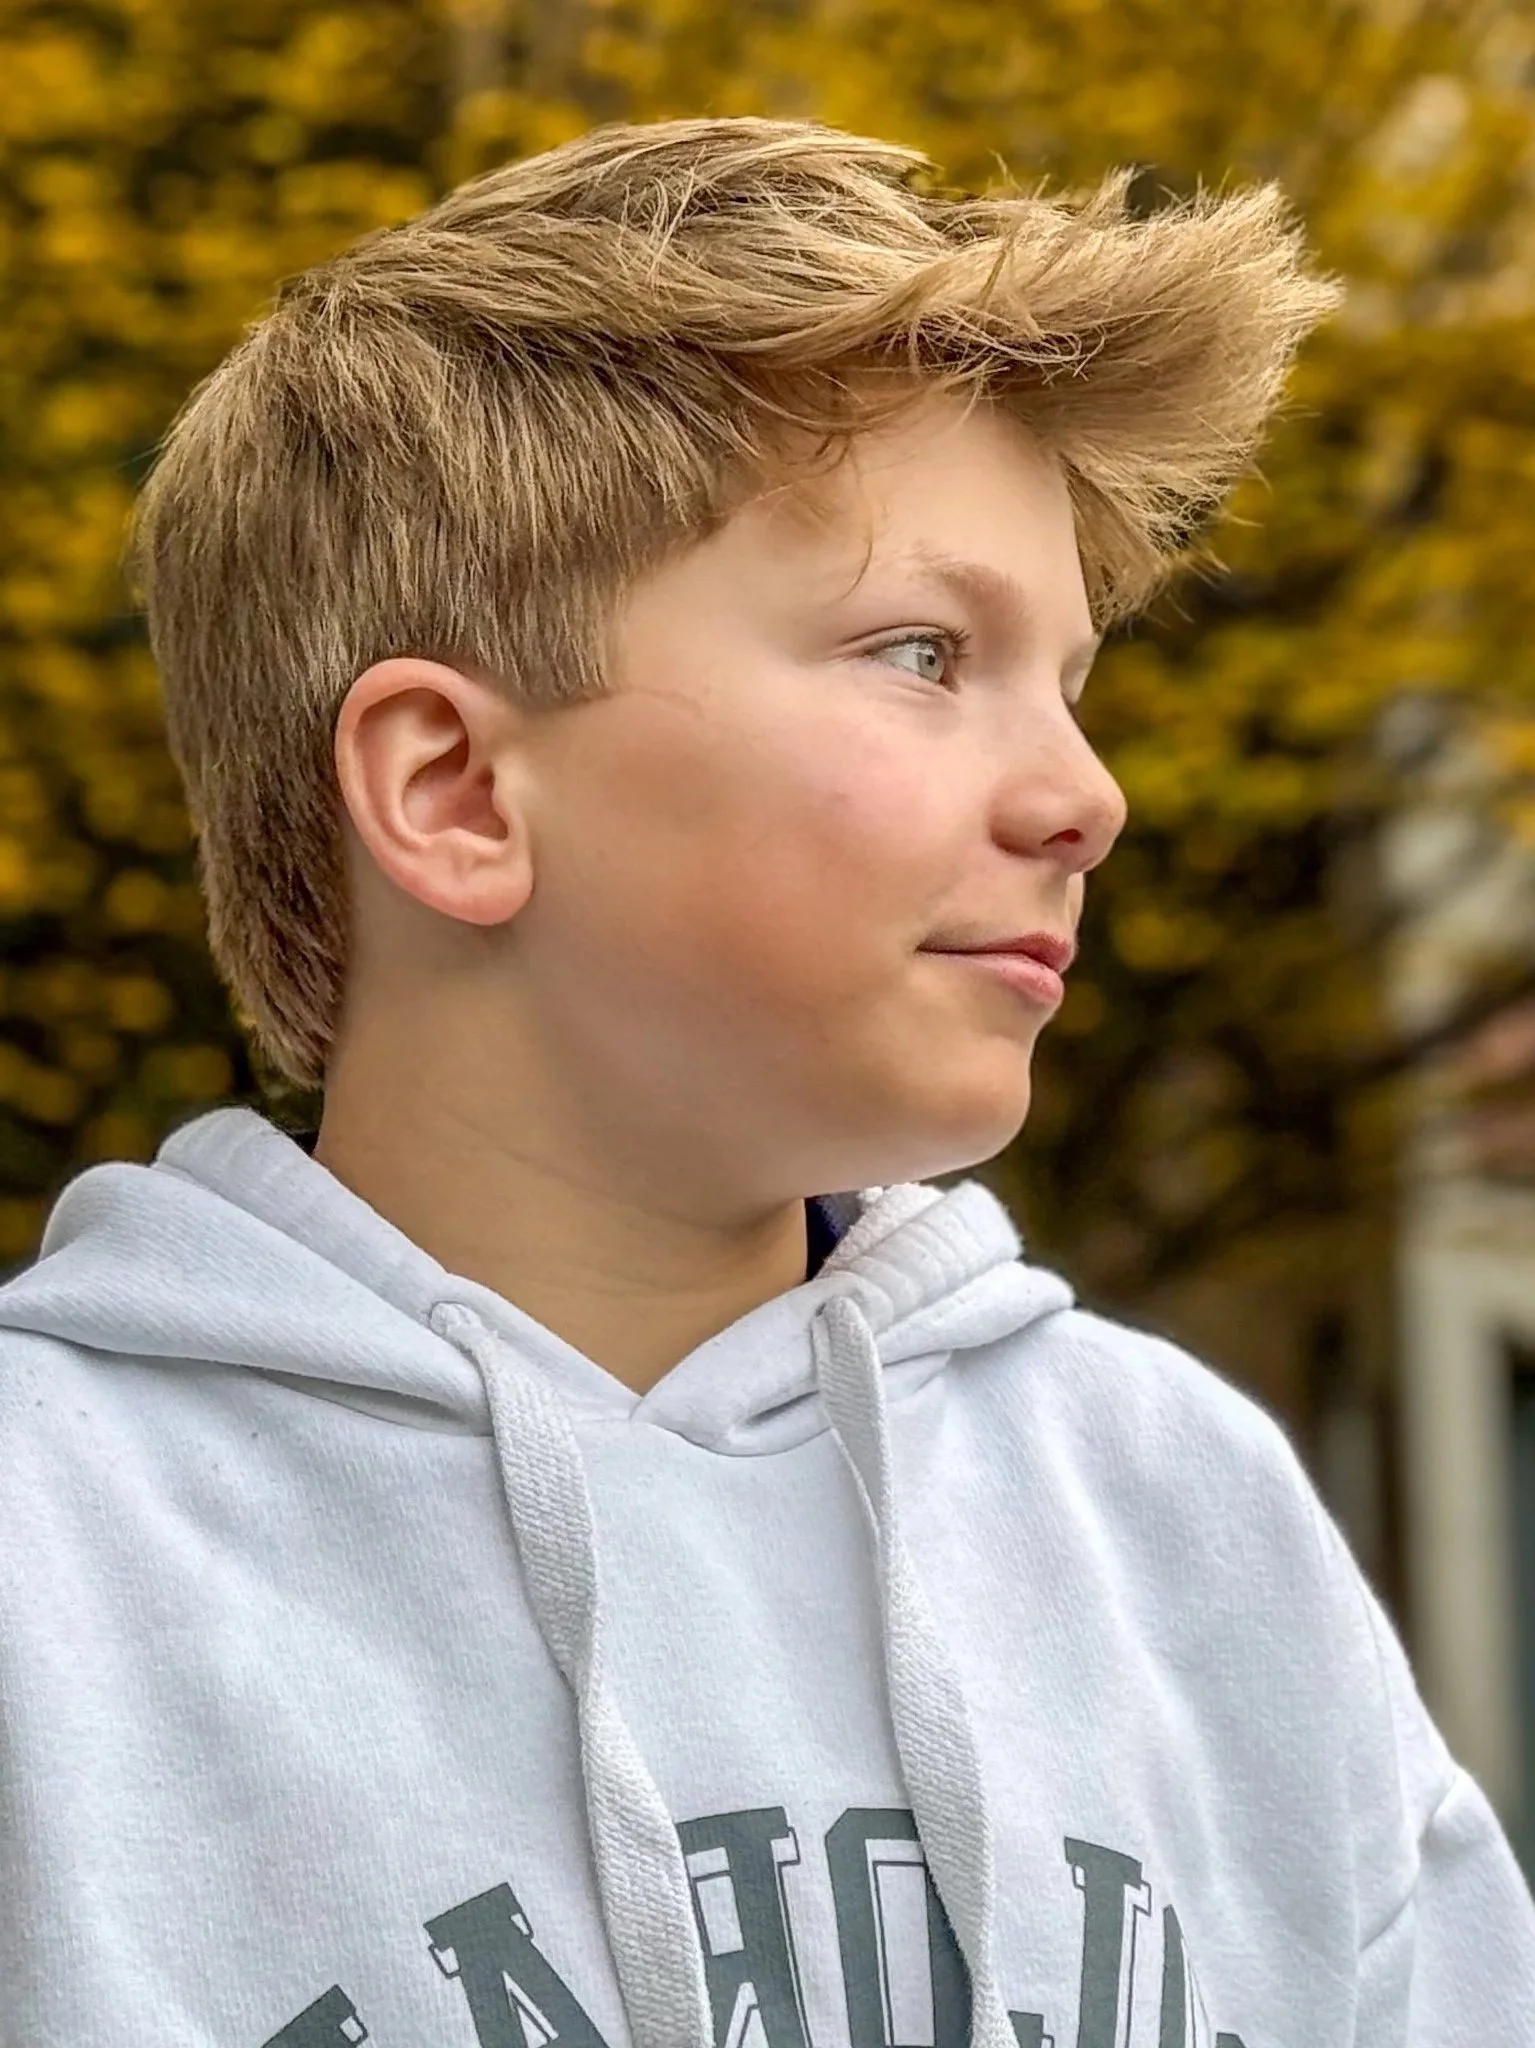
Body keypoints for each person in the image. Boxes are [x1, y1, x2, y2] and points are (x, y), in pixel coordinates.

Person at [1, 114, 1530, 2048]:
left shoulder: (1176, 1514)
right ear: (454, 792)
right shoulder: (44, 1558)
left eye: (1072, 680)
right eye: (920, 652)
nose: (1086, 796)